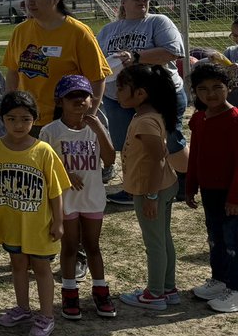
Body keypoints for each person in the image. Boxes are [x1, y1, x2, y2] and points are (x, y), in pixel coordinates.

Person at [0, 91, 70, 336]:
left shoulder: (43, 151)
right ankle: (23, 308)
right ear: (2, 119)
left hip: (39, 224)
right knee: (17, 264)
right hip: (10, 221)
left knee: (41, 267)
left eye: (25, 119)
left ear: (34, 120)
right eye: (12, 119)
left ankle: (47, 315)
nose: (18, 125)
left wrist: (59, 221)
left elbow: (55, 190)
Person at [96, 0, 187, 206]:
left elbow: (174, 52)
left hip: (159, 94)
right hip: (119, 97)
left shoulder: (158, 21)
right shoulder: (109, 30)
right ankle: (132, 188)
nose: (141, 0)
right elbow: (97, 61)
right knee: (128, 144)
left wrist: (136, 56)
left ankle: (184, 183)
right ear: (123, 2)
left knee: (171, 139)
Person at [39, 76, 117, 320]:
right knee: (70, 245)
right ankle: (69, 291)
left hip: (92, 197)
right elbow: (43, 163)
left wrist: (98, 130)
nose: (78, 101)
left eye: (83, 96)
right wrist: (65, 173)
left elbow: (110, 159)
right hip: (66, 199)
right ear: (60, 101)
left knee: (93, 245)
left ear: (91, 99)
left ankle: (101, 290)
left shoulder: (96, 126)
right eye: (71, 97)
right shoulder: (51, 131)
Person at [4, 0, 110, 130]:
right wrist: (11, 108)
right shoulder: (20, 31)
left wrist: (87, 117)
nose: (29, 2)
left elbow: (97, 78)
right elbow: (12, 72)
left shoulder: (78, 32)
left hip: (65, 122)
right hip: (27, 120)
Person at [116, 65, 182, 311]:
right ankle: (168, 288)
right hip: (161, 186)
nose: (118, 92)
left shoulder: (145, 122)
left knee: (154, 242)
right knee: (162, 238)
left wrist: (151, 196)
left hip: (151, 190)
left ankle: (155, 294)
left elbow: (158, 159)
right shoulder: (149, 116)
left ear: (140, 93)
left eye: (122, 88)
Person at [185, 63, 238, 312]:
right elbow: (195, 154)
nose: (211, 94)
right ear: (195, 92)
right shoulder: (199, 118)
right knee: (215, 238)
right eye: (203, 89)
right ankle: (220, 279)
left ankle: (236, 289)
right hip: (209, 191)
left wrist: (235, 197)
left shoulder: (235, 120)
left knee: (233, 242)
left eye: (218, 87)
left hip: (232, 195)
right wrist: (190, 185)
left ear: (229, 88)